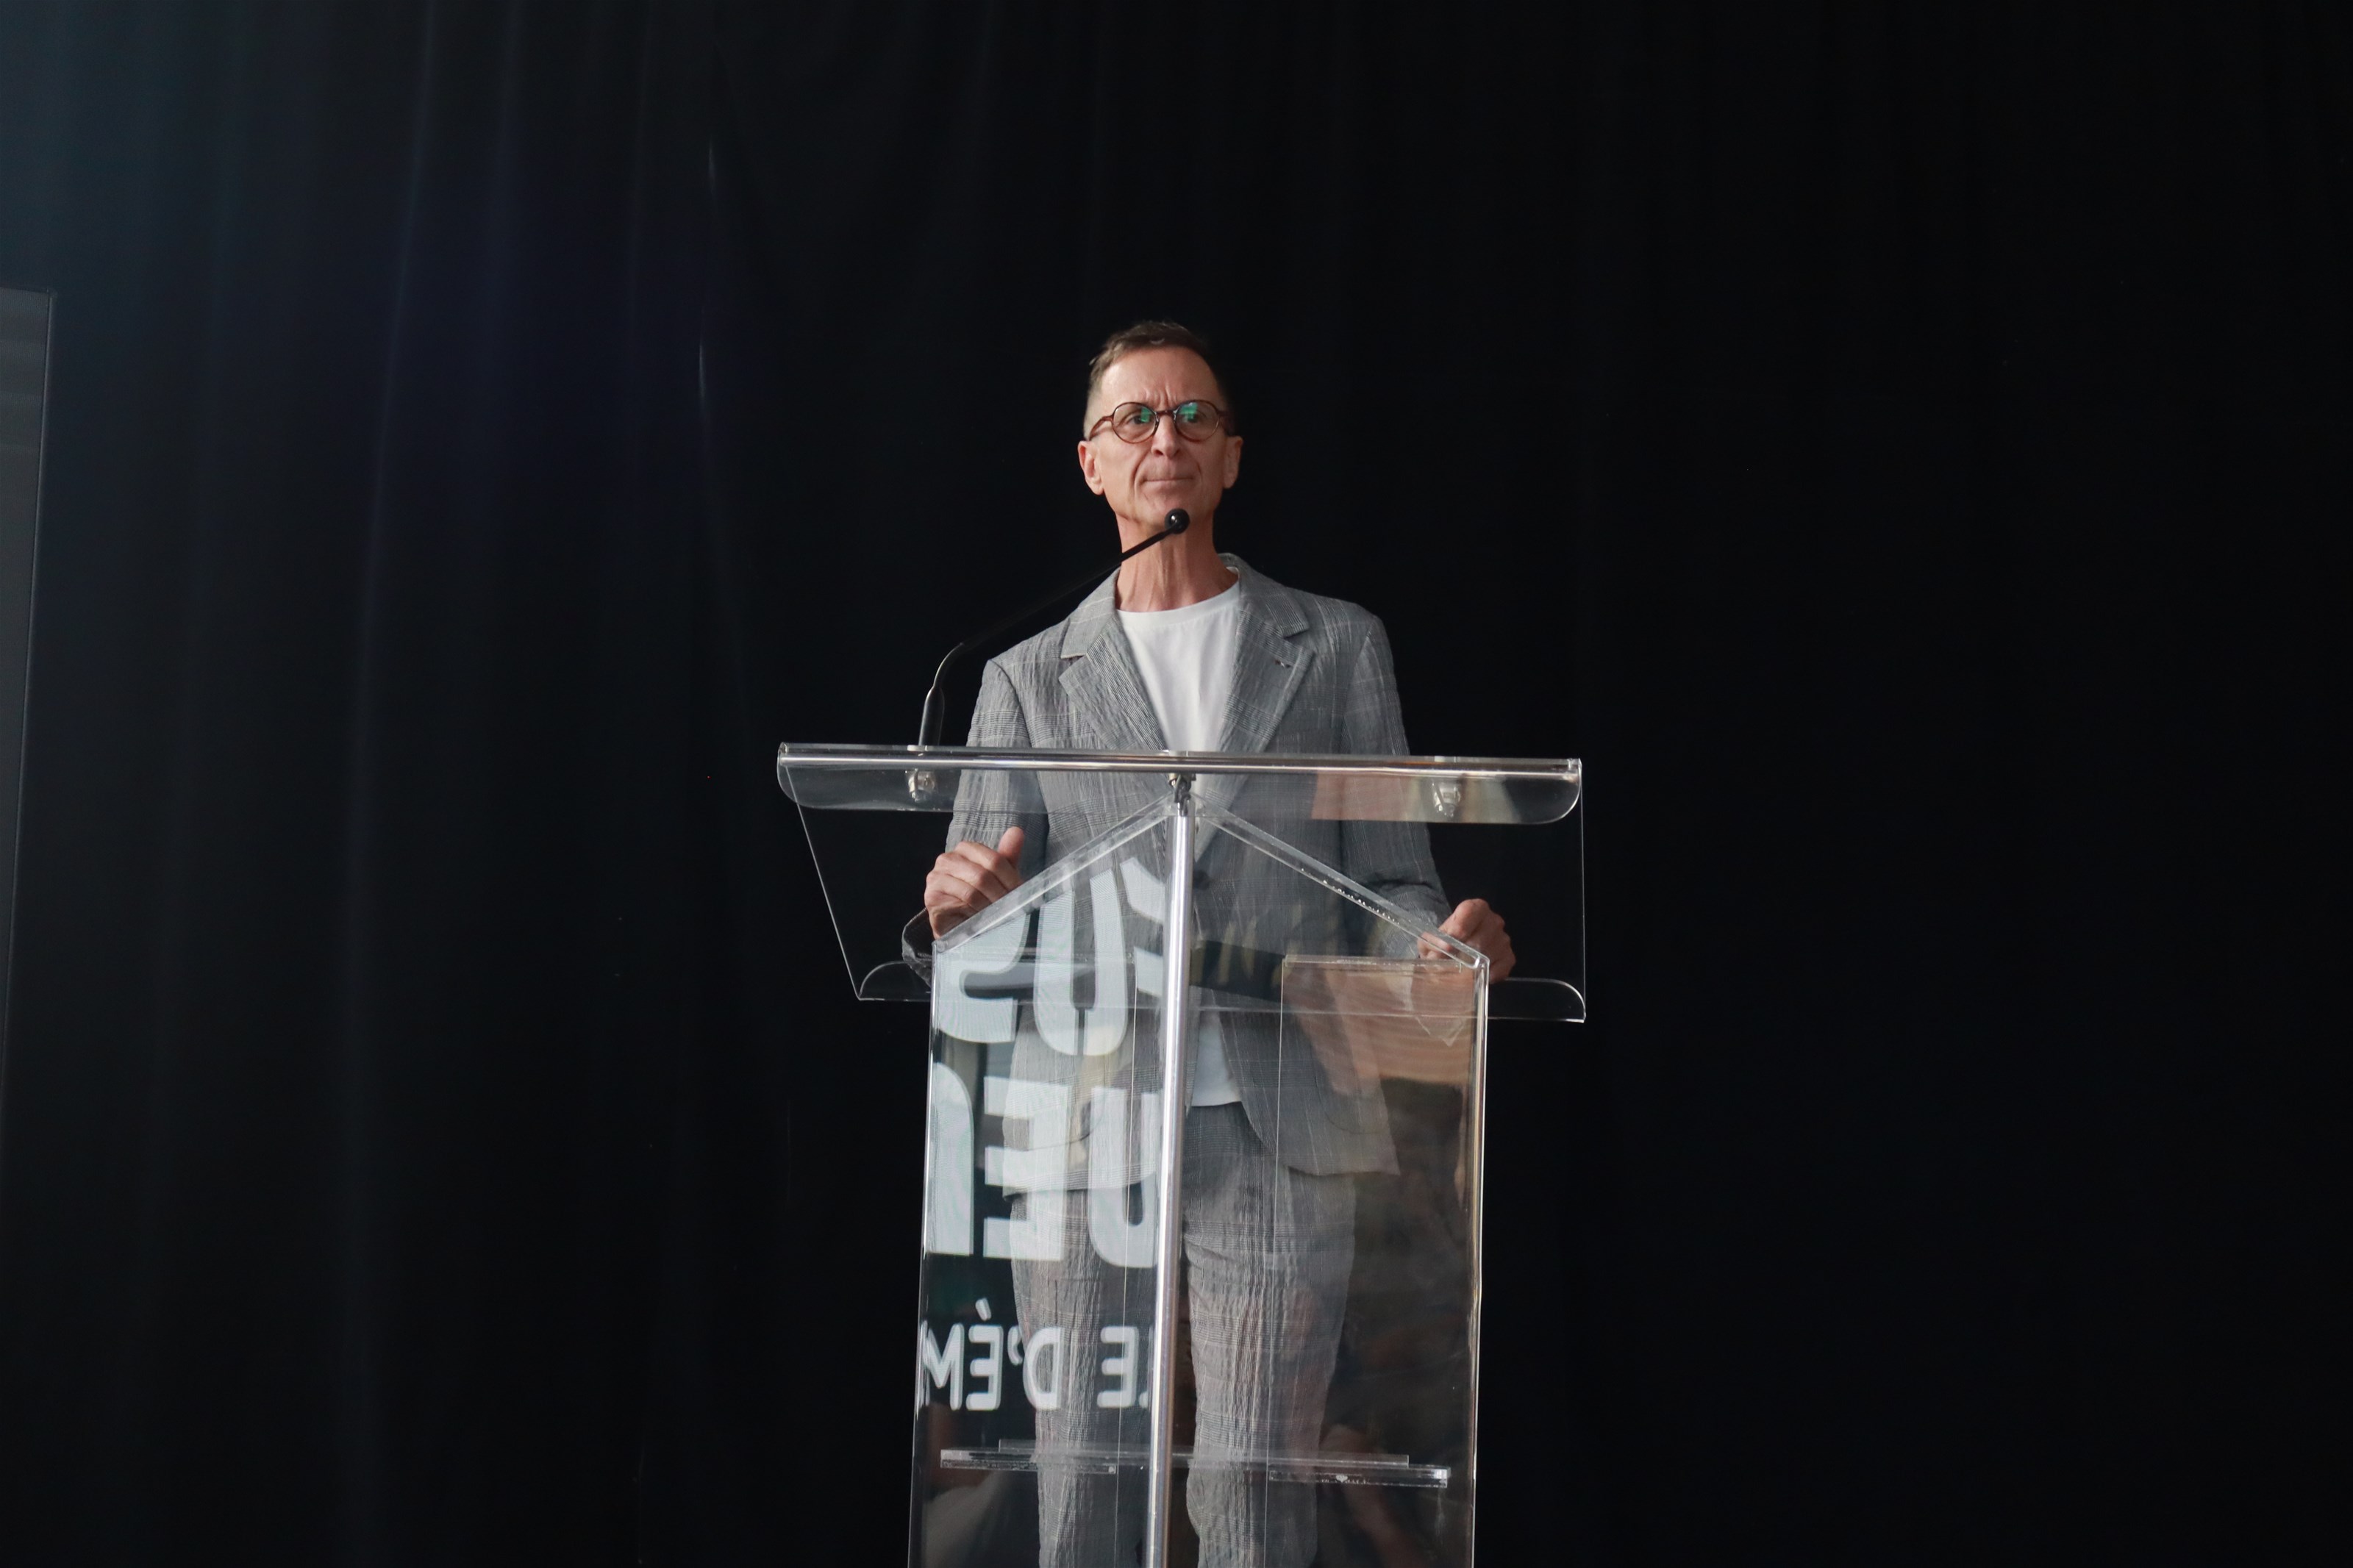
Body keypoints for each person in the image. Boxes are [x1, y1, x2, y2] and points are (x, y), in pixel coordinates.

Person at [921, 321, 1513, 1567]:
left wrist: (1433, 956)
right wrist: (956, 913)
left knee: (1254, 1489)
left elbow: (1391, 878)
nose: (1166, 439)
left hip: (1283, 1116)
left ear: (1232, 457)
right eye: (1135, 418)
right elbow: (971, 926)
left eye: (1194, 416)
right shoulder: (1025, 677)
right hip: (1084, 1130)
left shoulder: (1335, 646)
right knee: (1081, 1480)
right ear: (1091, 462)